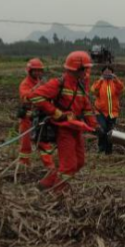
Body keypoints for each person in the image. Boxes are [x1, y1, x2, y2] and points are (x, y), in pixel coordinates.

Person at [29, 51, 97, 194]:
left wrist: (95, 126)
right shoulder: (58, 83)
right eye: (85, 69)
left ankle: (44, 184)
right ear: (77, 69)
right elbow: (35, 97)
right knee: (68, 166)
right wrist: (56, 113)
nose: (87, 72)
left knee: (79, 162)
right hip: (64, 129)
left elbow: (86, 108)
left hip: (76, 128)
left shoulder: (80, 85)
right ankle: (58, 194)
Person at [17, 58, 54, 168]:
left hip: (39, 116)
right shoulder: (25, 84)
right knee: (25, 142)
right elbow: (25, 97)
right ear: (30, 71)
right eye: (35, 70)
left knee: (43, 141)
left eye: (39, 70)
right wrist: (37, 88)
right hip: (27, 117)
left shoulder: (41, 82)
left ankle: (49, 166)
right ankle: (24, 163)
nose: (38, 73)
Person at [91, 65, 125, 154]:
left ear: (112, 73)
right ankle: (101, 147)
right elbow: (94, 91)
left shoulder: (115, 83)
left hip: (113, 112)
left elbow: (122, 89)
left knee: (110, 132)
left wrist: (116, 79)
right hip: (100, 112)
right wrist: (100, 80)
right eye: (105, 72)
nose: (107, 73)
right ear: (102, 73)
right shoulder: (99, 82)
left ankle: (108, 151)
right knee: (102, 128)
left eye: (109, 71)